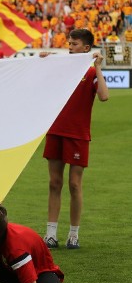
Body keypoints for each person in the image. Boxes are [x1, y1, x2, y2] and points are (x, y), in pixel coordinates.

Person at [41, 28, 109, 249]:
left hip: (78, 135)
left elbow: (104, 96)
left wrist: (98, 67)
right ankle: (50, 234)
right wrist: (43, 62)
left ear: (87, 48)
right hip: (55, 131)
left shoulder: (90, 73)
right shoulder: (60, 70)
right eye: (69, 43)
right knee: (54, 183)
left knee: (74, 185)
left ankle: (74, 234)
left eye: (74, 44)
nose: (70, 47)